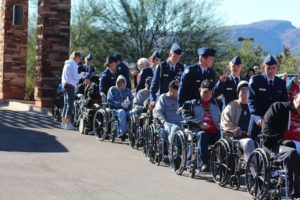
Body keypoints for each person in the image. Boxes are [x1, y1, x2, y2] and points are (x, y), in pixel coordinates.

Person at [262, 94, 300, 199]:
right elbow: (266, 130)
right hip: (276, 144)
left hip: (296, 145)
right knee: (291, 153)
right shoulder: (278, 107)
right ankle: (295, 193)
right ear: (295, 98)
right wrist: (282, 141)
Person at [182, 80, 221, 172]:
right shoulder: (191, 103)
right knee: (203, 135)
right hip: (198, 132)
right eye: (205, 92)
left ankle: (225, 164)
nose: (207, 94)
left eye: (210, 92)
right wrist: (199, 123)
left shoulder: (218, 103)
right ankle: (204, 163)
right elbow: (186, 115)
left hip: (215, 131)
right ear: (200, 90)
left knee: (224, 136)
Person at [248, 54, 288, 141]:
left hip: (273, 125)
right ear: (263, 68)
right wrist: (258, 118)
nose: (271, 71)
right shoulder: (256, 80)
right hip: (258, 123)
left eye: (273, 68)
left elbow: (284, 103)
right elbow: (252, 101)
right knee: (253, 151)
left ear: (277, 68)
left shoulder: (281, 83)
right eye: (268, 68)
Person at [221, 81, 256, 161]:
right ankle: (252, 170)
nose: (245, 92)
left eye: (247, 90)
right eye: (242, 90)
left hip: (252, 136)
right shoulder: (231, 106)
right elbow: (226, 123)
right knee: (249, 142)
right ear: (238, 93)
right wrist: (239, 131)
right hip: (236, 138)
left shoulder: (253, 106)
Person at [149, 43, 184, 109]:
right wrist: (152, 100)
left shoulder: (180, 67)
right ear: (170, 55)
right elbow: (154, 84)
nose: (177, 59)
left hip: (176, 98)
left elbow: (182, 84)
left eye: (178, 57)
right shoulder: (161, 66)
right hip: (163, 98)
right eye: (175, 56)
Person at [153, 80, 183, 151]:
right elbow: (158, 112)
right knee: (175, 128)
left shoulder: (182, 98)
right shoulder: (163, 97)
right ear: (170, 90)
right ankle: (172, 150)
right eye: (177, 90)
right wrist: (164, 122)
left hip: (182, 123)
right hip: (168, 124)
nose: (179, 91)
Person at [61, 51, 84, 130]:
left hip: (65, 85)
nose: (80, 60)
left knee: (66, 104)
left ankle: (63, 123)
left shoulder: (67, 64)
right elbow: (75, 76)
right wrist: (82, 75)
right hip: (70, 85)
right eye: (79, 58)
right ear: (76, 57)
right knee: (70, 105)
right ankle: (68, 124)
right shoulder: (73, 65)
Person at [107, 75, 134, 140]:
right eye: (119, 82)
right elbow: (110, 101)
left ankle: (134, 132)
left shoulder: (127, 90)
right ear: (117, 82)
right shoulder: (112, 89)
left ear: (125, 83)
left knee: (133, 113)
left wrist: (129, 102)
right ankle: (123, 132)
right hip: (115, 109)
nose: (120, 84)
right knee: (122, 112)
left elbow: (132, 99)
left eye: (122, 82)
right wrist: (121, 104)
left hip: (127, 109)